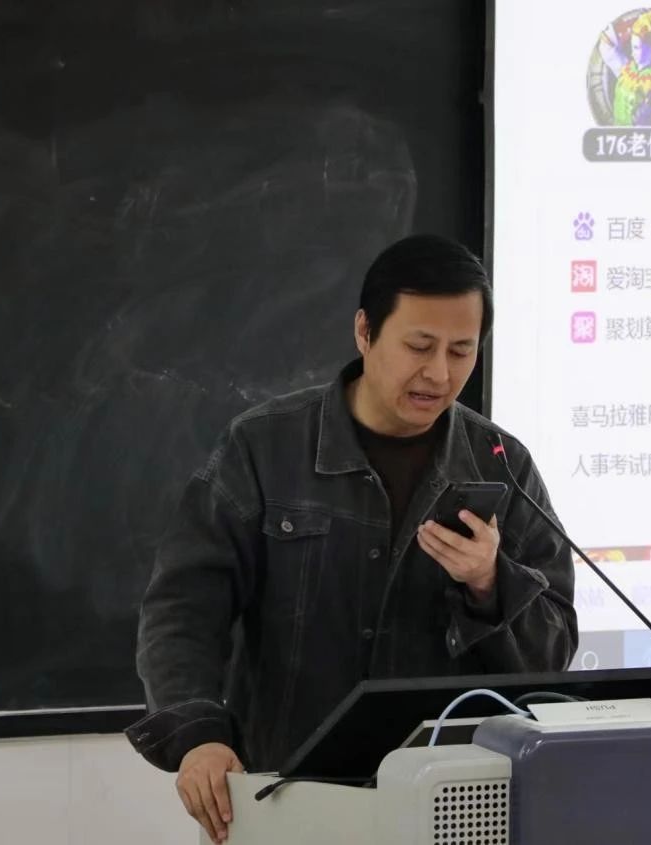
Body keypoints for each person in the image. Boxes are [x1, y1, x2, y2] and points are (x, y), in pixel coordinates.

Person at [126, 234, 578, 842]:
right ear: (365, 331)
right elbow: (182, 608)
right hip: (286, 796)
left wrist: (489, 583)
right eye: (419, 346)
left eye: (461, 351)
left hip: (452, 806)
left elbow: (553, 654)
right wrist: (199, 737)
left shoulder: (502, 464)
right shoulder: (265, 448)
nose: (439, 373)